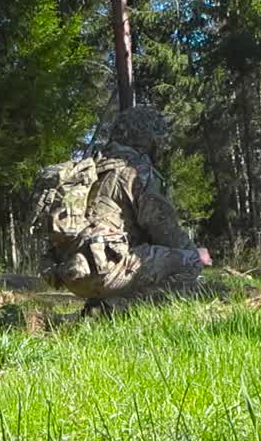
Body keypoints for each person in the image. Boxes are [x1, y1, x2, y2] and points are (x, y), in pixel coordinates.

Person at [52, 106, 212, 311]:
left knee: (140, 255)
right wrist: (196, 254)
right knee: (189, 259)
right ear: (148, 138)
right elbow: (166, 231)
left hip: (72, 272)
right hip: (106, 271)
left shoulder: (92, 167)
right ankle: (129, 308)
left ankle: (104, 303)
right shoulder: (136, 171)